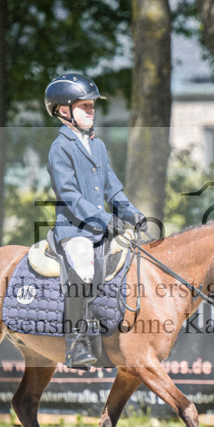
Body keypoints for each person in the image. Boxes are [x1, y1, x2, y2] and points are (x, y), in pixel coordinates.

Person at [44, 73, 146, 369]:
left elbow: (113, 188)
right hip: (74, 229)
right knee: (85, 273)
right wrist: (105, 219)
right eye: (85, 106)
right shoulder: (60, 147)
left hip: (100, 227)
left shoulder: (97, 146)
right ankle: (75, 343)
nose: (91, 111)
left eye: (92, 106)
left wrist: (132, 213)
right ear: (64, 111)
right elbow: (70, 196)